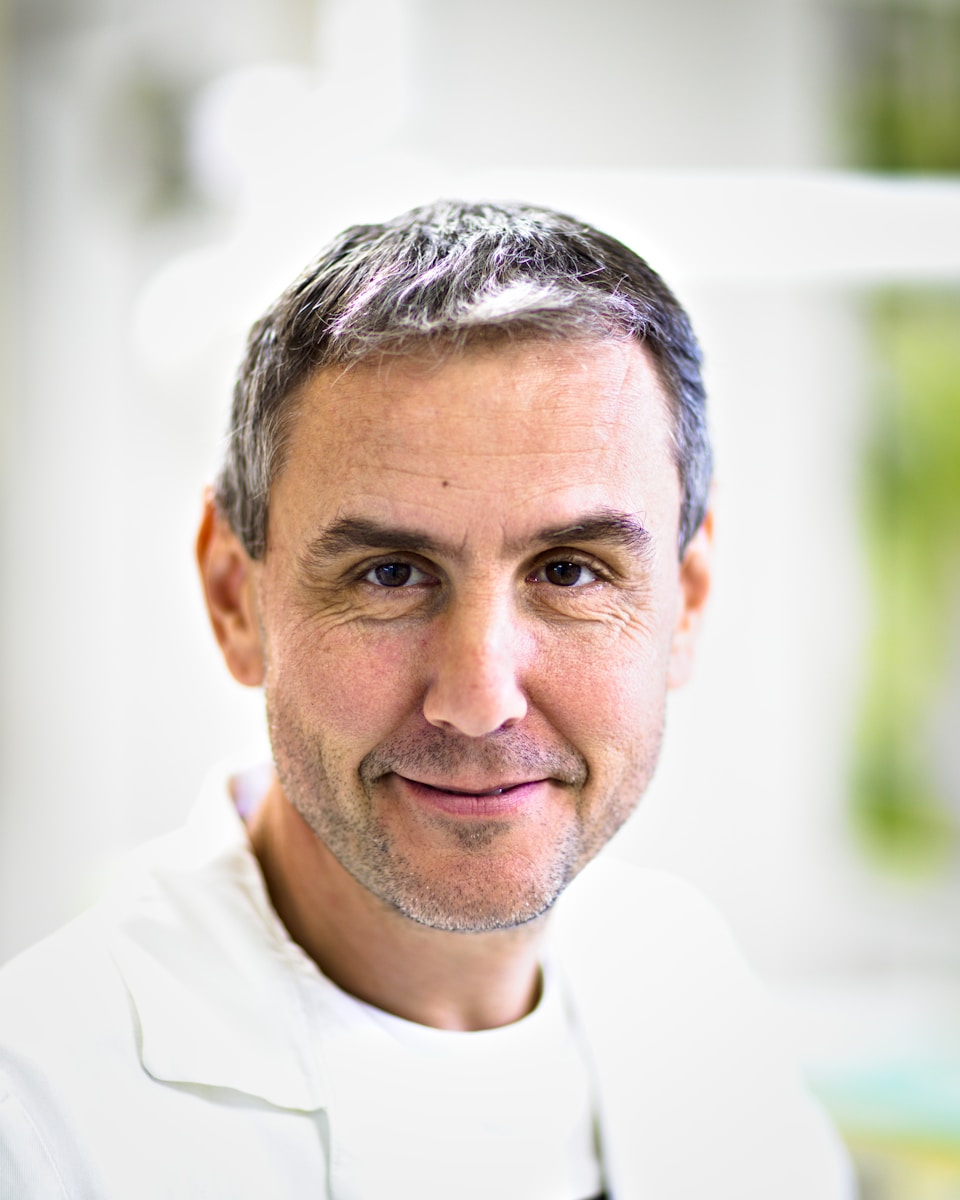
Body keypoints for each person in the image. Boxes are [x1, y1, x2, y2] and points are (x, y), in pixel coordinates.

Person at [0, 200, 853, 1199]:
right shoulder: (41, 1114)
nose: (479, 699)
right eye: (390, 574)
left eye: (572, 573)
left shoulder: (693, 1001)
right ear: (237, 599)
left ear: (688, 602)